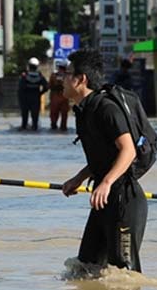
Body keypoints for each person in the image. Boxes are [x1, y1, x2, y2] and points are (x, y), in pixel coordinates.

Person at [61, 49, 147, 272]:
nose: (61, 78)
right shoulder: (84, 110)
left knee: (125, 275)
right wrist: (79, 178)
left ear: (81, 79)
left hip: (124, 201)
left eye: (66, 73)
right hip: (102, 199)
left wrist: (107, 182)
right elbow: (105, 156)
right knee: (84, 269)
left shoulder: (106, 108)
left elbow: (128, 151)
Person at [18, 56, 48, 131]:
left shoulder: (24, 76)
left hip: (25, 98)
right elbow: (46, 87)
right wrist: (40, 93)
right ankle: (34, 128)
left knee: (24, 118)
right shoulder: (40, 76)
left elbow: (21, 88)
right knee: (35, 119)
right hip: (35, 98)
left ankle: (24, 128)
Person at [48, 59, 70, 131]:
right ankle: (62, 127)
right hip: (64, 97)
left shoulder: (53, 75)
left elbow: (49, 86)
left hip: (56, 96)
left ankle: (54, 125)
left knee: (54, 113)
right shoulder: (68, 76)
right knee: (64, 114)